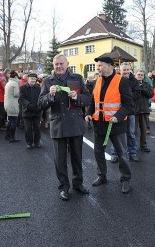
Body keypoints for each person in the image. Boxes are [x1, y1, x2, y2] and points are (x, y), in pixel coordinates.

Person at [38, 54, 91, 201]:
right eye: (56, 64)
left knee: (77, 156)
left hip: (75, 123)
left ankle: (78, 184)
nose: (59, 66)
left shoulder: (77, 78)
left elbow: (88, 98)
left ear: (67, 64)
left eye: (61, 63)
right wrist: (50, 96)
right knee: (60, 159)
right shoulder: (48, 81)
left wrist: (77, 98)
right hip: (58, 124)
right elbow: (40, 103)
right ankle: (64, 187)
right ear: (53, 65)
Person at [85, 56, 133, 194]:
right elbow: (94, 100)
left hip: (116, 125)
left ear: (110, 66)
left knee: (122, 153)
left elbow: (129, 105)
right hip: (99, 124)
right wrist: (89, 112)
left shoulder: (122, 81)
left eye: (100, 65)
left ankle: (125, 179)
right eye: (97, 66)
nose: (98, 68)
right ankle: (102, 176)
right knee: (98, 151)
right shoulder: (97, 81)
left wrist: (117, 117)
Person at [109, 62, 139, 162]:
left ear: (130, 70)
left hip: (130, 111)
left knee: (131, 133)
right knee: (116, 133)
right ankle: (114, 154)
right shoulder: (115, 80)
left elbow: (137, 93)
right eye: (124, 70)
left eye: (127, 70)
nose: (126, 72)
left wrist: (127, 99)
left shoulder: (134, 81)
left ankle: (132, 153)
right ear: (120, 70)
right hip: (118, 111)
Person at [19, 72, 42, 149]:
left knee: (37, 128)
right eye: (31, 79)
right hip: (27, 112)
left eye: (34, 79)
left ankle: (37, 142)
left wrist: (39, 107)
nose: (33, 80)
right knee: (28, 129)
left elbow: (41, 99)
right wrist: (28, 105)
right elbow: (21, 99)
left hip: (37, 111)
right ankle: (29, 143)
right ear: (28, 79)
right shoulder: (23, 88)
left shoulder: (39, 88)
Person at [134, 70, 153, 152]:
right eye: (138, 74)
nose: (140, 76)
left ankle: (143, 145)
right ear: (135, 75)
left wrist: (142, 89)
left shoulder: (146, 85)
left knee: (144, 130)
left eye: (142, 75)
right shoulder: (132, 84)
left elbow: (151, 94)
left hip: (144, 110)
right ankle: (132, 147)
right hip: (134, 110)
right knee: (133, 130)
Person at [4, 70, 21, 143]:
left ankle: (7, 136)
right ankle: (12, 137)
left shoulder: (8, 83)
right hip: (13, 105)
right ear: (16, 77)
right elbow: (16, 94)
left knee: (10, 120)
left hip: (8, 104)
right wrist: (21, 92)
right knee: (14, 121)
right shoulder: (15, 83)